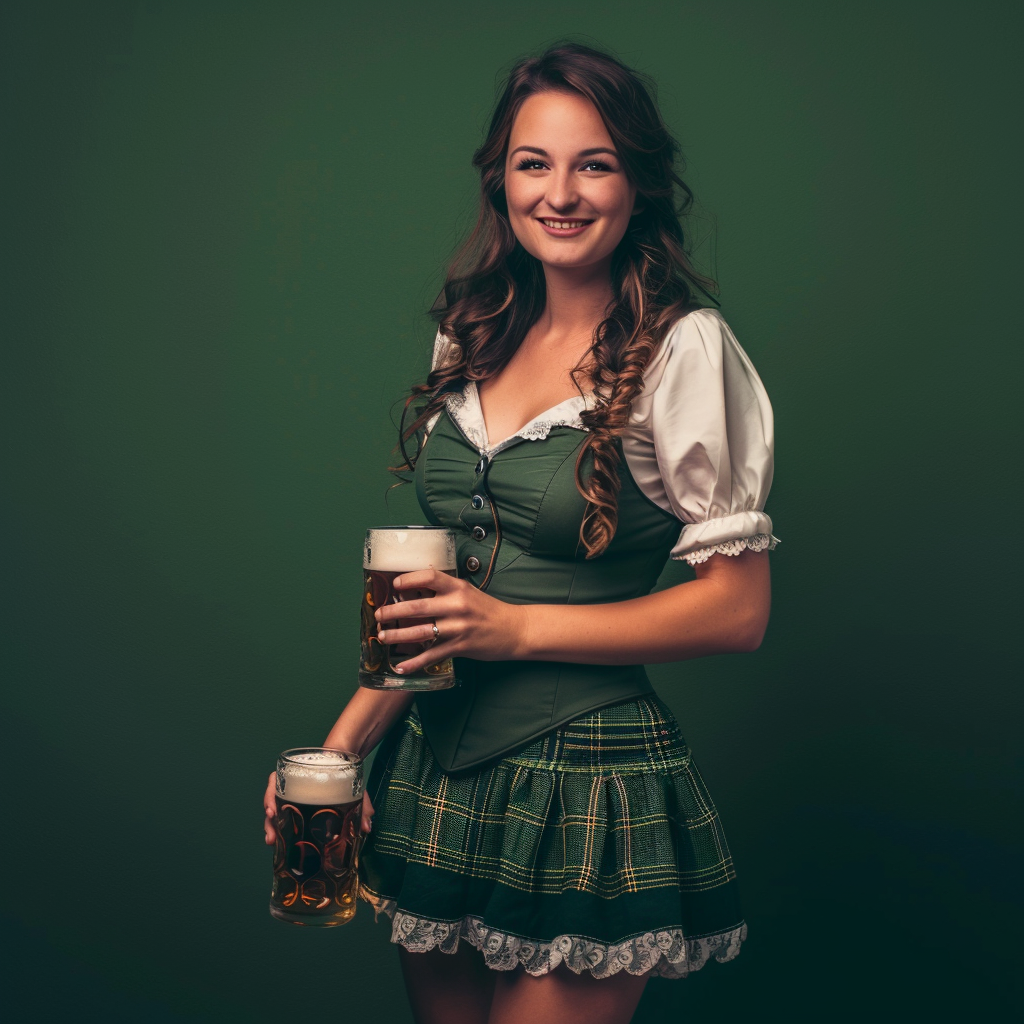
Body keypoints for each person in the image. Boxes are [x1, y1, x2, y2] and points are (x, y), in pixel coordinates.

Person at [264, 41, 777, 1024]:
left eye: (596, 162)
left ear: (637, 182)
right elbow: (427, 612)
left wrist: (518, 630)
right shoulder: (472, 331)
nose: (563, 192)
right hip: (434, 771)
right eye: (534, 162)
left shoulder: (685, 347)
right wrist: (335, 761)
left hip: (588, 780)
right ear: (500, 179)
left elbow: (739, 609)